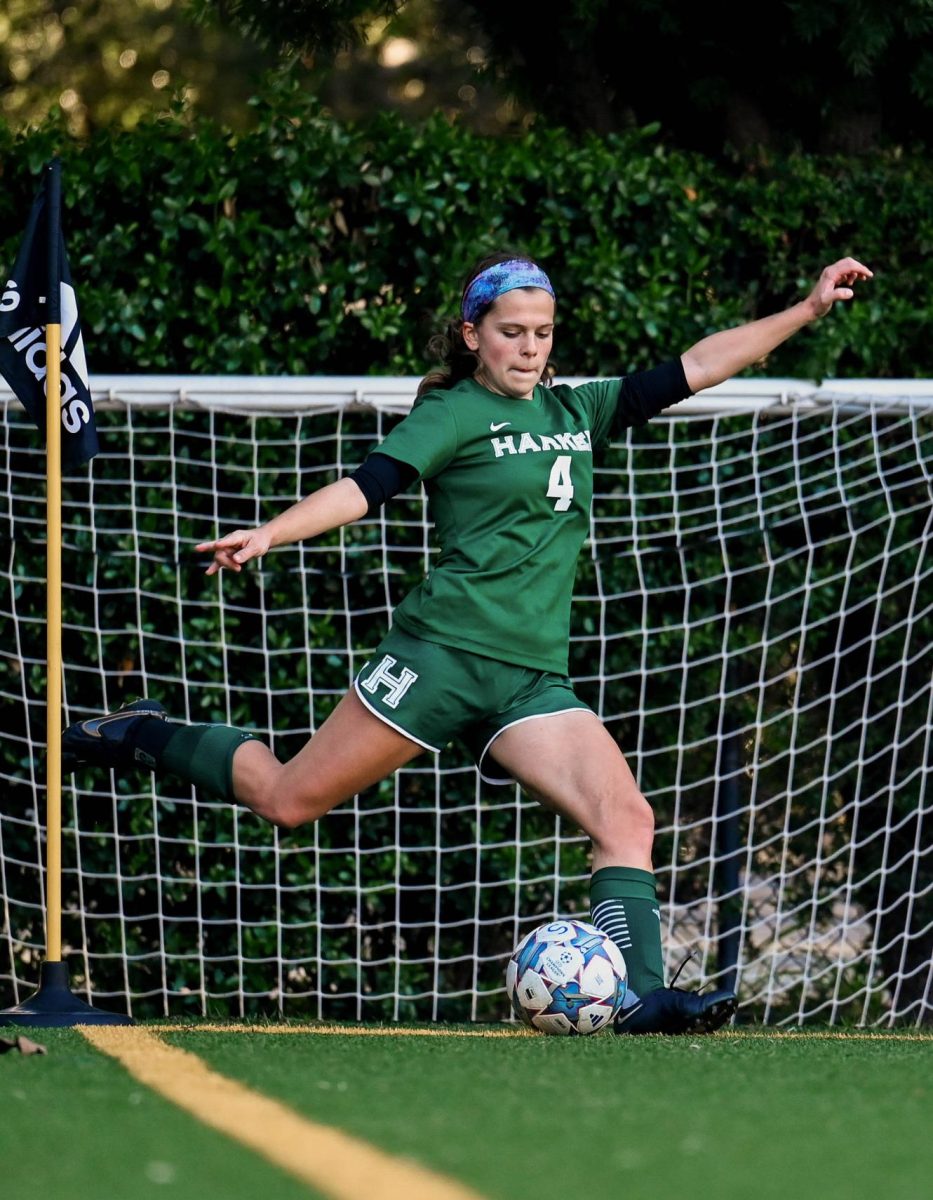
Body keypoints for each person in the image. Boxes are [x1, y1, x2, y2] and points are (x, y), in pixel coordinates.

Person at [63, 250, 872, 1034]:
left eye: (542, 332)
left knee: (625, 817)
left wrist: (804, 310)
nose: (528, 346)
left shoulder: (577, 408)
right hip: (438, 658)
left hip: (528, 681)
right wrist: (272, 533)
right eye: (511, 331)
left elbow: (698, 364)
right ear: (471, 335)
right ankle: (143, 731)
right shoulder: (450, 414)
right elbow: (365, 487)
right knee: (287, 800)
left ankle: (638, 1001)